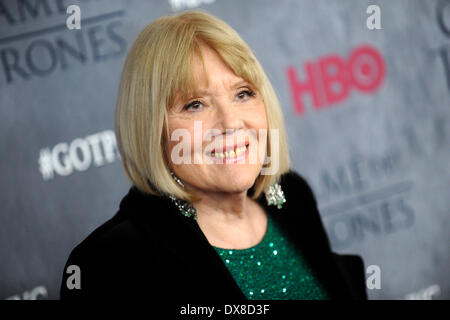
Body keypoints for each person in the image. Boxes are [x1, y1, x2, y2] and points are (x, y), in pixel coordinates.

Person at [60, 9, 367, 301]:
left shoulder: (291, 196)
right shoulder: (111, 262)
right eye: (195, 104)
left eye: (243, 94)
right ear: (152, 128)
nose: (231, 123)